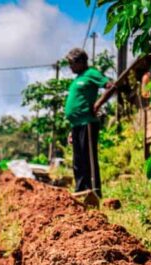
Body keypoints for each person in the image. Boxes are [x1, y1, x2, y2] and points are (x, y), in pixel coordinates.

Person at [65, 48, 113, 197]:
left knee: (89, 160)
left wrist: (98, 104)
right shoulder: (77, 79)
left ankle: (95, 193)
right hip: (76, 125)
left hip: (88, 122)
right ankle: (81, 192)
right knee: (78, 162)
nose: (70, 67)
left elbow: (111, 86)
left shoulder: (91, 73)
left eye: (71, 63)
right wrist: (71, 130)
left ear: (80, 62)